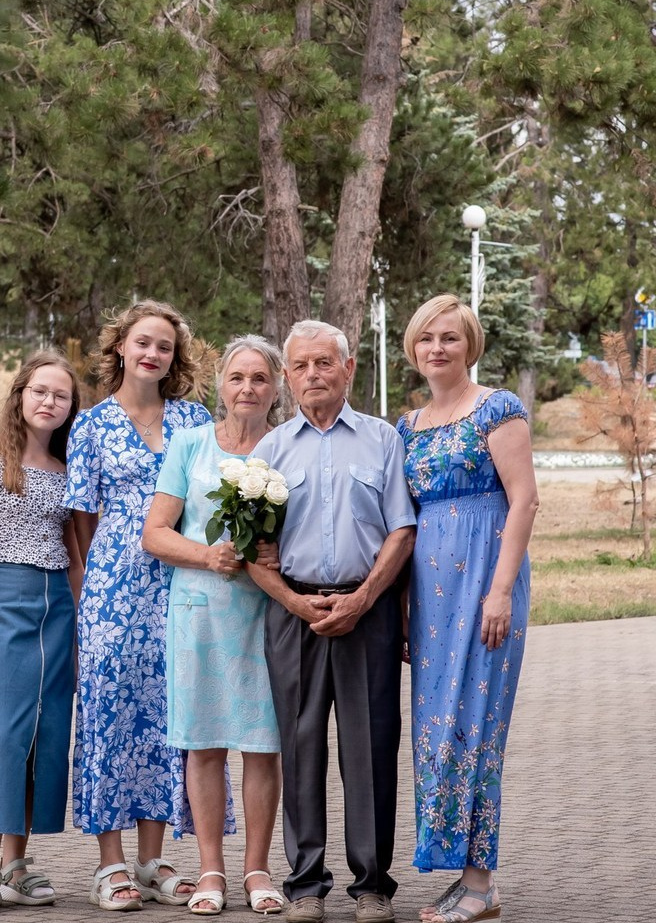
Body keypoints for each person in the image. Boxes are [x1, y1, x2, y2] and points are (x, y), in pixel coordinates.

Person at [250, 320, 416, 923]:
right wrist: (295, 603)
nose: (313, 374)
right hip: (293, 613)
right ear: (287, 376)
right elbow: (253, 551)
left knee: (371, 747)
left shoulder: (382, 439)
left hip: (366, 612)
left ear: (348, 369)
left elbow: (402, 530)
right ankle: (305, 884)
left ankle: (372, 885)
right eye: (301, 365)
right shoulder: (269, 452)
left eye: (325, 363)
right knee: (299, 748)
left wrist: (363, 599)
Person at [66, 299, 223, 911]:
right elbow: (82, 523)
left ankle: (153, 860)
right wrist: (97, 588)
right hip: (113, 590)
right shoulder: (92, 426)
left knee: (168, 715)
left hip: (183, 584)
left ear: (174, 357)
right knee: (109, 713)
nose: (152, 353)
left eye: (164, 346)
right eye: (142, 342)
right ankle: (110, 865)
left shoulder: (193, 419)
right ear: (120, 348)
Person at [397, 295, 538, 923]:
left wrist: (501, 590)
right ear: (413, 347)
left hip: (486, 584)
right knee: (438, 728)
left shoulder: (497, 409)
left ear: (469, 345)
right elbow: (403, 520)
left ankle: (480, 884)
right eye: (427, 338)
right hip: (430, 596)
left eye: (449, 337)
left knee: (478, 726)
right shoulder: (408, 426)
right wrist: (403, 607)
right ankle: (467, 874)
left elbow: (524, 500)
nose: (437, 348)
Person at [142, 336, 286, 917]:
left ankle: (257, 868)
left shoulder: (287, 445)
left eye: (260, 378)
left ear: (276, 387)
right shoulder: (190, 443)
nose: (247, 388)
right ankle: (209, 869)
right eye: (237, 377)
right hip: (199, 609)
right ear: (221, 384)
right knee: (203, 743)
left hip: (266, 611)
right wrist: (207, 555)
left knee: (262, 743)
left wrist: (277, 553)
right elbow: (156, 533)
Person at [0, 351, 84, 915]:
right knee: (4, 734)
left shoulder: (69, 468)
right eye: (40, 391)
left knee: (45, 735)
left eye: (60, 395)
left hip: (58, 608)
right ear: (20, 395)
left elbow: (76, 556)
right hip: (4, 603)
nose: (49, 401)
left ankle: (16, 864)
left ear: (71, 406)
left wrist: (84, 629)